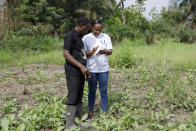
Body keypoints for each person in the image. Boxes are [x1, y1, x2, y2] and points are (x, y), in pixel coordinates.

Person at [63, 16, 91, 129]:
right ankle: (69, 123)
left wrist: (86, 70)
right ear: (81, 26)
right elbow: (66, 54)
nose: (88, 30)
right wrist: (80, 66)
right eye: (87, 28)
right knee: (73, 96)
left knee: (79, 95)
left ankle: (78, 119)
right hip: (73, 70)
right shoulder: (70, 35)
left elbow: (82, 55)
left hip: (80, 70)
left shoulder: (80, 37)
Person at [83, 19, 113, 119]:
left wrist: (105, 51)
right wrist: (92, 52)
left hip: (103, 69)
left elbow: (110, 51)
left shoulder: (106, 37)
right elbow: (82, 54)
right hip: (91, 69)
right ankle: (90, 111)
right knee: (92, 91)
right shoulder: (86, 38)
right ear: (92, 28)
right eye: (96, 29)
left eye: (100, 30)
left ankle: (105, 111)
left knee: (103, 90)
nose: (98, 32)